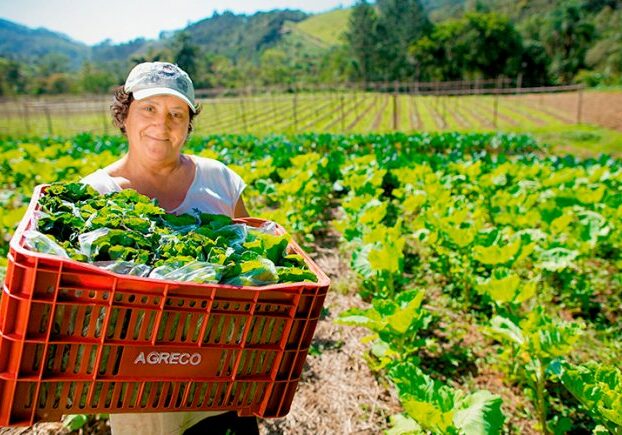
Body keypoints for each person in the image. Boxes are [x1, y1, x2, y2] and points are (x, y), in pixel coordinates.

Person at [81, 61, 258, 435]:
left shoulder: (220, 180)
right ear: (124, 114)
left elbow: (253, 257)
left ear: (188, 124)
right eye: (149, 108)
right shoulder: (95, 195)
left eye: (176, 113)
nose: (162, 124)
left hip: (220, 375)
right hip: (139, 392)